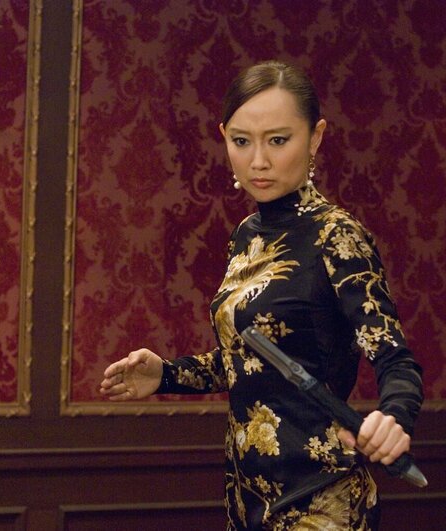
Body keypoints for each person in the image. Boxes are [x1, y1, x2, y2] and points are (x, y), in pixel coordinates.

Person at [101, 60, 423, 530]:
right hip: (247, 497)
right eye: (241, 141)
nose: (258, 161)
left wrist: (394, 417)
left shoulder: (336, 235)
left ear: (315, 138)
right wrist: (167, 375)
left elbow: (394, 357)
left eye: (277, 140)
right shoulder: (245, 236)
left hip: (321, 497)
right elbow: (253, 358)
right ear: (224, 137)